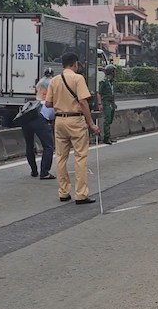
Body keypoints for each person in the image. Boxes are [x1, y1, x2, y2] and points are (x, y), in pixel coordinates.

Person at [45, 53, 100, 204]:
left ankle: (63, 192)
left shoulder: (54, 80)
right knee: (80, 157)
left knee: (61, 157)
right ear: (74, 64)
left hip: (60, 121)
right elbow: (83, 102)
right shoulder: (78, 78)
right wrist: (91, 124)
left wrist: (60, 100)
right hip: (75, 120)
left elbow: (48, 104)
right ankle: (81, 194)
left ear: (63, 64)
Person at [21, 71, 55, 180]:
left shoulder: (40, 83)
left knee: (29, 145)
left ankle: (34, 171)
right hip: (41, 117)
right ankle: (44, 172)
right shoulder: (53, 83)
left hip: (28, 114)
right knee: (48, 146)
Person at [99, 64, 117, 145]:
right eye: (114, 71)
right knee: (107, 119)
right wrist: (100, 104)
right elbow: (99, 93)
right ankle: (106, 138)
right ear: (111, 72)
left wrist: (114, 103)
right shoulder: (104, 81)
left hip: (111, 102)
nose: (115, 73)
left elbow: (112, 93)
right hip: (106, 102)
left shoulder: (111, 81)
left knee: (110, 119)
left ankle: (109, 136)